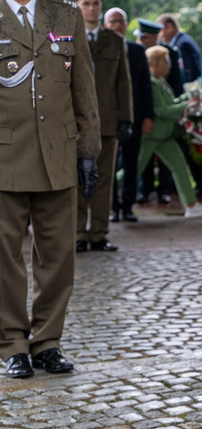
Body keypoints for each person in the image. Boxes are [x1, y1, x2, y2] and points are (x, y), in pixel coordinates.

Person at [0, 0, 100, 378]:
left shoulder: (65, 14)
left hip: (58, 152)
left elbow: (84, 89)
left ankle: (47, 342)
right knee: (3, 255)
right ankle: (12, 345)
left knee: (58, 254)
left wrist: (89, 150)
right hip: (4, 155)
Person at [74, 0, 132, 253]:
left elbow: (123, 82)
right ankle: (78, 233)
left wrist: (126, 119)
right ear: (78, 6)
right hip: (75, 122)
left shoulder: (115, 41)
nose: (92, 8)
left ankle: (98, 233)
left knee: (104, 180)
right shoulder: (67, 35)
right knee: (75, 179)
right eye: (86, 3)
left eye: (96, 3)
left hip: (107, 121)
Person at [138, 46, 202, 218]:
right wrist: (186, 104)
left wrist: (187, 98)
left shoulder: (159, 81)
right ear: (155, 63)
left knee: (180, 167)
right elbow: (162, 111)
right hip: (153, 135)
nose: (170, 65)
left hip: (163, 135)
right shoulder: (152, 82)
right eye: (166, 62)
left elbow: (170, 103)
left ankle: (191, 204)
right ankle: (102, 193)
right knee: (133, 169)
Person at [106, 8, 154, 223]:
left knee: (132, 162)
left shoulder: (136, 50)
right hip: (109, 116)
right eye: (113, 21)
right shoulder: (101, 49)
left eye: (121, 21)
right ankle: (113, 208)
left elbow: (146, 85)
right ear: (106, 25)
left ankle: (128, 206)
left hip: (135, 115)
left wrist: (148, 116)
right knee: (109, 164)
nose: (118, 25)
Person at [135, 18, 180, 205]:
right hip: (145, 111)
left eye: (145, 37)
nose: (142, 40)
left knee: (165, 160)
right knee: (142, 156)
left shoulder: (170, 53)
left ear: (154, 37)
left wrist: (175, 105)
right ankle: (142, 190)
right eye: (141, 37)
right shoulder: (136, 52)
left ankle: (163, 190)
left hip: (165, 111)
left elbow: (176, 80)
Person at [157, 13, 202, 83]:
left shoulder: (183, 44)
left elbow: (188, 74)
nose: (159, 35)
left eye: (160, 31)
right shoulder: (182, 41)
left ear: (169, 27)